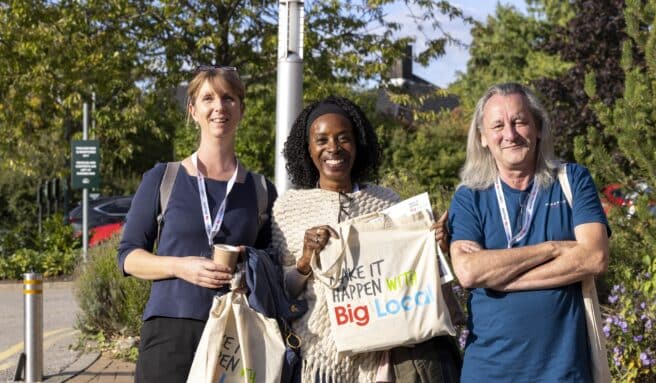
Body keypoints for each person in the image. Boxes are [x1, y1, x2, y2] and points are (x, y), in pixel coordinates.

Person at [271, 95, 460, 383]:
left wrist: (436, 245)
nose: (333, 148)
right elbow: (280, 291)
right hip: (315, 357)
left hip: (382, 360)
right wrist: (306, 258)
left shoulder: (388, 202)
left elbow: (414, 275)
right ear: (308, 150)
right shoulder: (288, 208)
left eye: (343, 138)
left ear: (358, 144)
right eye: (321, 140)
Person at [117, 65, 277, 382]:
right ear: (193, 110)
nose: (219, 107)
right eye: (208, 98)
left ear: (241, 109)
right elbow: (128, 256)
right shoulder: (163, 178)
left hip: (234, 331)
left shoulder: (260, 190)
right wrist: (180, 267)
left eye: (229, 98)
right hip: (169, 330)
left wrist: (250, 264)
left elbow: (273, 262)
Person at [448, 82, 610, 382]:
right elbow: (469, 272)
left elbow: (595, 257)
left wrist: (499, 278)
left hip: (563, 372)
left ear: (537, 128)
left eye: (519, 121)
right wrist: (551, 249)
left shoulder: (572, 180)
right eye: (497, 125)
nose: (509, 134)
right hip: (488, 372)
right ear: (483, 138)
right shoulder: (469, 197)